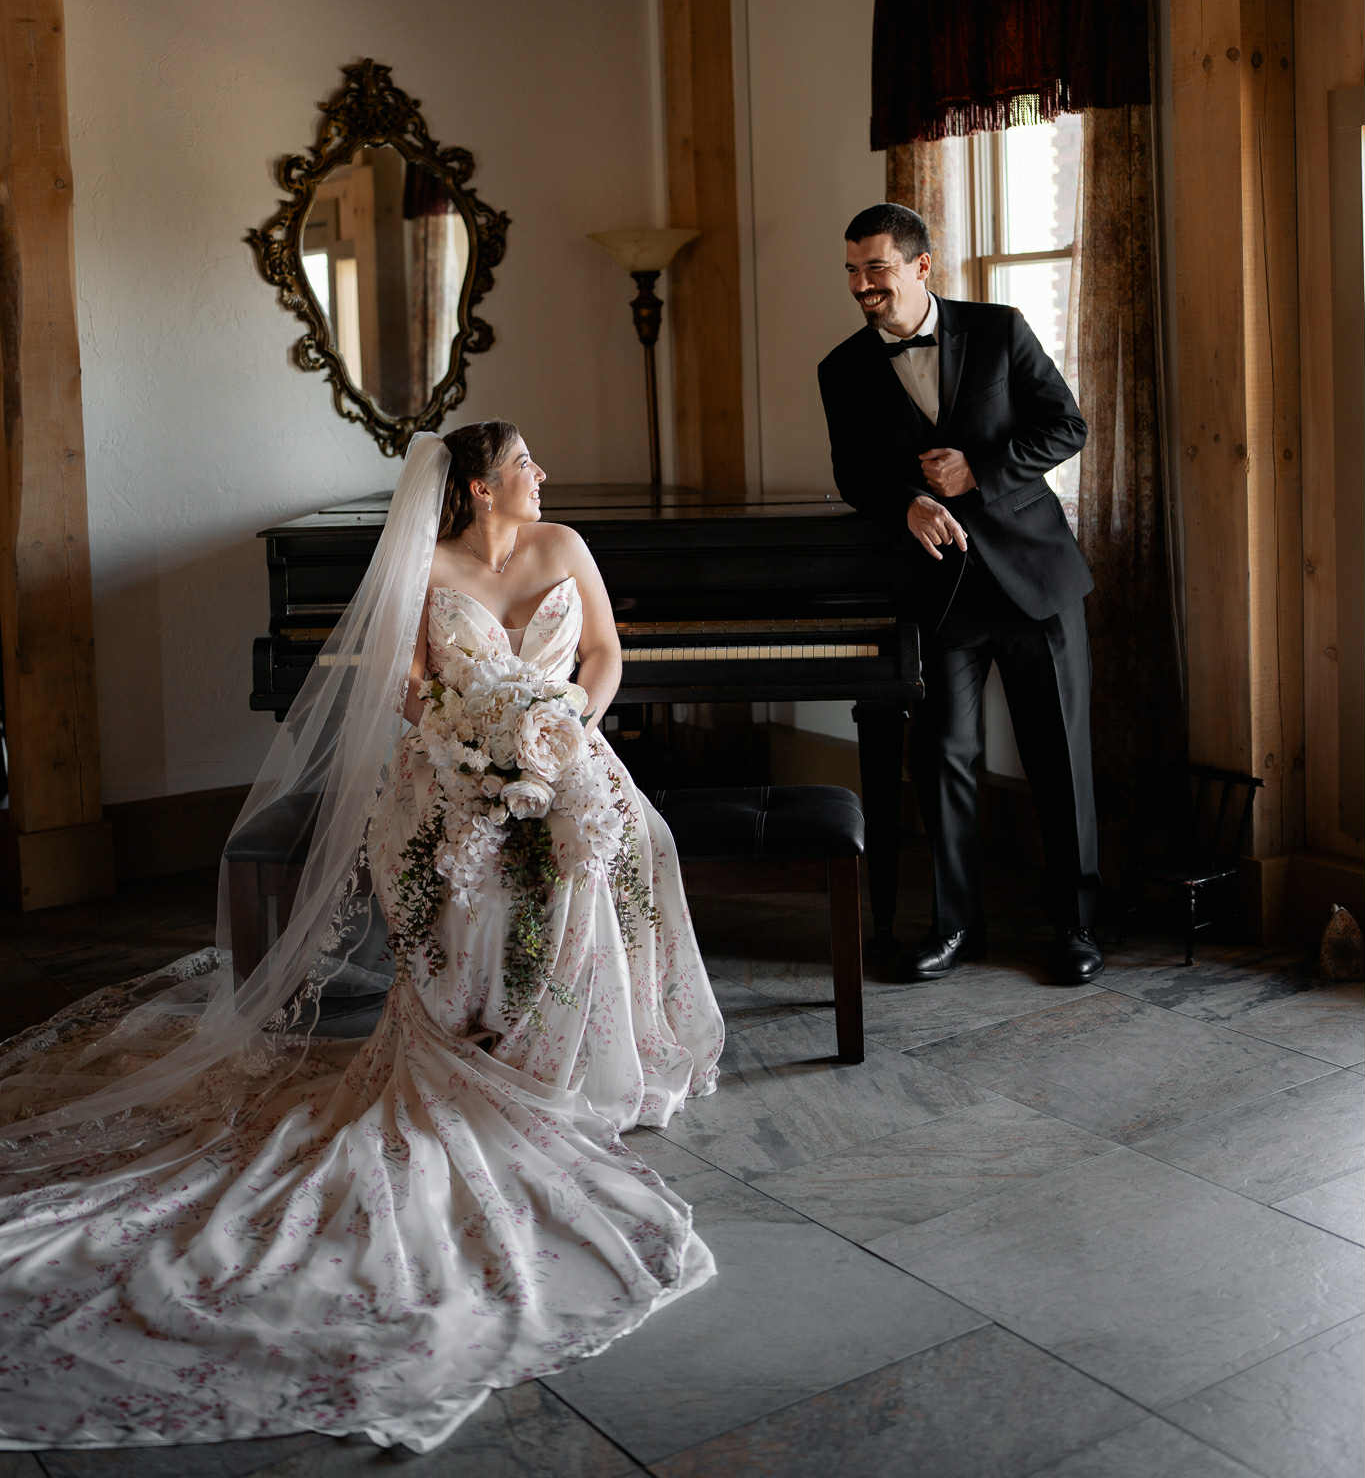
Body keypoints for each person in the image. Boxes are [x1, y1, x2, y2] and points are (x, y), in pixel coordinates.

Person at [0, 423, 723, 1456]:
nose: (542, 475)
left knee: (618, 842)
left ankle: (576, 1051)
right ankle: (485, 1048)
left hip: (572, 758)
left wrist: (569, 723)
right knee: (460, 868)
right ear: (479, 486)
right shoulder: (426, 567)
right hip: (455, 773)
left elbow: (604, 652)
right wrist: (469, 750)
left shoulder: (567, 546)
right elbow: (408, 686)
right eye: (524, 463)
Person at [817, 203, 1103, 987]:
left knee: (1058, 759)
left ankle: (1075, 927)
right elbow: (854, 477)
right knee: (943, 760)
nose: (861, 284)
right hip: (936, 593)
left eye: (875, 267)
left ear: (919, 266)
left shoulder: (1000, 329)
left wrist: (980, 470)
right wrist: (904, 504)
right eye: (851, 269)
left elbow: (1065, 426)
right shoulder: (840, 369)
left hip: (1033, 581)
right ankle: (953, 927)